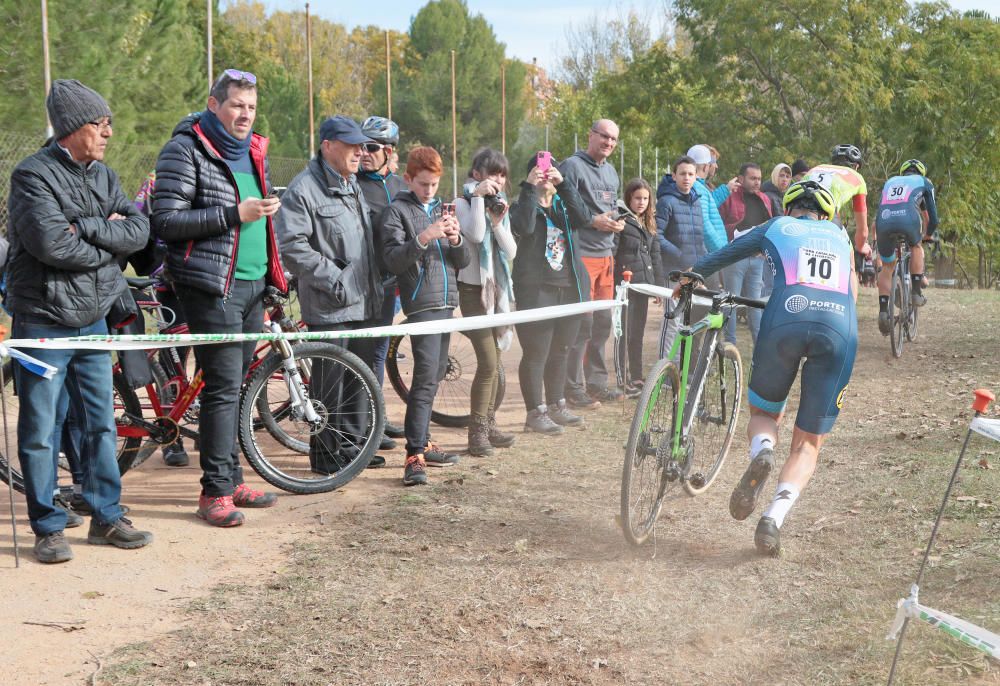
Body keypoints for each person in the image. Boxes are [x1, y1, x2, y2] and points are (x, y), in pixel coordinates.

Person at [6, 79, 153, 562]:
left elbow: (136, 231)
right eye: (100, 123)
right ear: (72, 127)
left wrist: (90, 229)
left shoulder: (105, 176)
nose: (109, 131)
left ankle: (106, 517)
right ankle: (48, 526)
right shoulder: (32, 177)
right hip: (43, 322)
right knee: (40, 429)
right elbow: (52, 246)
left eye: (109, 122)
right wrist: (105, 241)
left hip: (94, 319)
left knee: (100, 424)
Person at [682, 180, 857, 556]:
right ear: (826, 214)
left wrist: (689, 275)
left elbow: (725, 253)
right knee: (809, 442)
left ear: (790, 207)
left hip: (785, 320)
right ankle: (773, 518)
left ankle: (762, 449)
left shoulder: (777, 226)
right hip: (839, 330)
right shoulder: (841, 237)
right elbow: (852, 292)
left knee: (764, 413)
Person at [152, 69, 286, 526]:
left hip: (252, 286)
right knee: (224, 388)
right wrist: (236, 213)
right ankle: (214, 492)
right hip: (212, 288)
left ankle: (230, 478)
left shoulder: (254, 151)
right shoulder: (184, 149)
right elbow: (165, 222)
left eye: (251, 106)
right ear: (214, 106)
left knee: (235, 387)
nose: (245, 114)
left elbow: (257, 221)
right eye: (236, 105)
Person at [275, 115, 387, 473]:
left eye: (364, 146)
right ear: (328, 146)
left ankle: (355, 449)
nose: (361, 152)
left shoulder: (351, 182)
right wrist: (335, 280)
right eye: (353, 145)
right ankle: (325, 457)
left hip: (364, 300)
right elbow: (292, 247)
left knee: (358, 378)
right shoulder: (303, 189)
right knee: (330, 383)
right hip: (330, 302)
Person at [377, 146, 470, 486]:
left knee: (433, 376)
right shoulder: (395, 212)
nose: (429, 190)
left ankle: (425, 441)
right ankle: (414, 454)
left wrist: (457, 238)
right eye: (423, 184)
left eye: (434, 184)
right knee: (426, 378)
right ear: (408, 179)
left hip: (446, 303)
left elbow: (464, 260)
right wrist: (424, 236)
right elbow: (392, 260)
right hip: (420, 305)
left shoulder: (443, 208)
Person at [509, 155, 591, 434]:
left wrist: (564, 184)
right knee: (537, 352)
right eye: (539, 169)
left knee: (562, 349)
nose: (545, 174)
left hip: (569, 287)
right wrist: (529, 188)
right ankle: (535, 411)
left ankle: (557, 404)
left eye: (549, 168)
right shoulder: (522, 205)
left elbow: (585, 218)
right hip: (537, 288)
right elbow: (525, 227)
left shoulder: (564, 205)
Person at [454, 148, 518, 456]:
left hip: (497, 292)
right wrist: (478, 199)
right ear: (477, 174)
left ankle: (488, 424)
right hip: (471, 292)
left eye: (503, 175)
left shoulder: (499, 207)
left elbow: (511, 251)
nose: (499, 180)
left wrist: (497, 221)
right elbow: (476, 236)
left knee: (495, 362)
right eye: (493, 173)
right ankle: (476, 433)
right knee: (489, 363)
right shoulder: (462, 202)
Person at [559, 119, 625, 409]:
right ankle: (572, 389)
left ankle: (596, 383)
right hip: (581, 254)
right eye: (604, 136)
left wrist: (617, 221)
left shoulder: (610, 171)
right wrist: (591, 221)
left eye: (613, 139)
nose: (608, 143)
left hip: (606, 255)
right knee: (580, 324)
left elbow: (607, 209)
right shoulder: (571, 166)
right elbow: (564, 206)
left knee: (601, 323)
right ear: (591, 135)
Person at [357, 115, 406, 443]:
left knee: (379, 353)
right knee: (362, 353)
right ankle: (365, 424)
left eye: (372, 147)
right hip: (363, 283)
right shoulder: (355, 184)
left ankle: (377, 415)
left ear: (389, 152)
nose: (364, 153)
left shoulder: (400, 185)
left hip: (392, 283)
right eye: (361, 146)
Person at [874, 159, 939, 334]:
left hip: (884, 221)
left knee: (887, 267)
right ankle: (916, 292)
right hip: (908, 219)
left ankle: (882, 312)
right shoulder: (924, 182)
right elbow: (933, 218)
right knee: (916, 246)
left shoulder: (890, 182)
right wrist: (927, 234)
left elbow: (880, 208)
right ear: (921, 172)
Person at [614, 178, 663, 395]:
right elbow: (613, 251)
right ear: (629, 198)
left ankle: (636, 375)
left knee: (637, 333)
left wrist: (658, 287)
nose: (641, 202)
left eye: (645, 198)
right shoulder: (621, 220)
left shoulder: (650, 223)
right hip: (625, 286)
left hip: (644, 286)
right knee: (623, 332)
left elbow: (656, 255)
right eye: (637, 198)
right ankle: (621, 378)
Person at [718, 162, 774, 345]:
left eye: (759, 178)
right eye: (752, 178)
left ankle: (759, 347)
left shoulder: (765, 199)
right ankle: (729, 346)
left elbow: (769, 225)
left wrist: (764, 249)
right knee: (730, 303)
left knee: (755, 304)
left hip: (757, 259)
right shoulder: (729, 197)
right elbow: (718, 225)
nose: (757, 182)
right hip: (734, 257)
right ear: (741, 179)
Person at [656, 155, 706, 359]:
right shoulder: (666, 202)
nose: (687, 178)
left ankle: (677, 370)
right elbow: (657, 235)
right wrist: (680, 255)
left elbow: (699, 238)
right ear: (674, 175)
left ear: (696, 177)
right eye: (682, 173)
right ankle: (664, 371)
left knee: (687, 322)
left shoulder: (697, 203)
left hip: (694, 272)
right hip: (674, 273)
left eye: (691, 174)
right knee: (672, 322)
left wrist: (703, 262)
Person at [805, 144, 871, 263]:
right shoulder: (857, 177)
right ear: (855, 166)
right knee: (849, 259)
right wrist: (861, 246)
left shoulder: (816, 168)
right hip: (824, 212)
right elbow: (863, 229)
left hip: (795, 209)